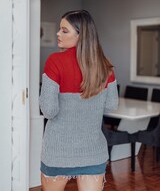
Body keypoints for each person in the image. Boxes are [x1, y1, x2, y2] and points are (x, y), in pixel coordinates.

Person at [39, 10, 118, 191]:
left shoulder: (55, 61)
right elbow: (111, 106)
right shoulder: (106, 66)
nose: (58, 34)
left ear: (81, 34)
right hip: (92, 151)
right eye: (59, 29)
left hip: (58, 152)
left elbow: (49, 110)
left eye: (64, 31)